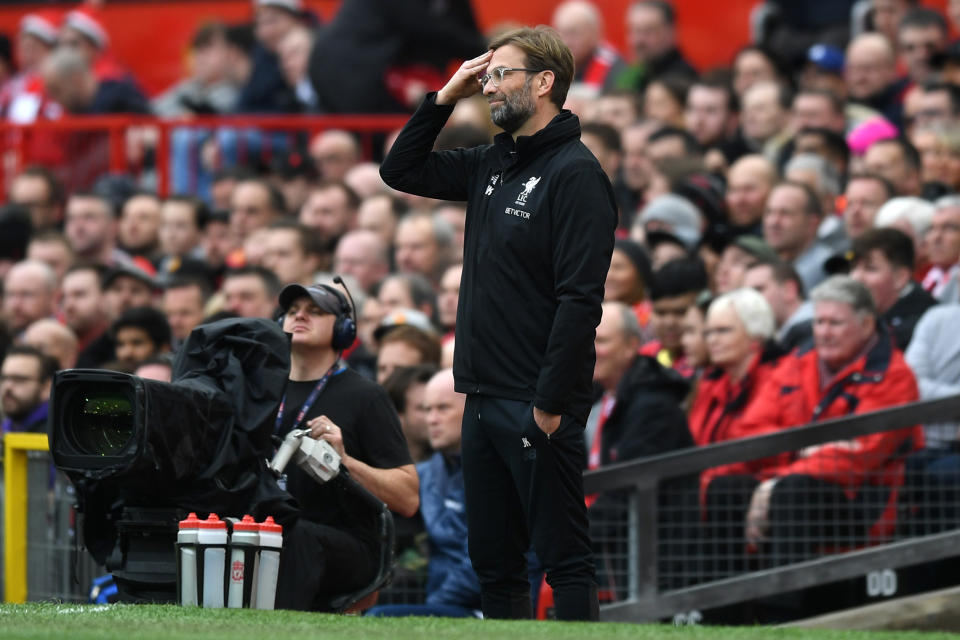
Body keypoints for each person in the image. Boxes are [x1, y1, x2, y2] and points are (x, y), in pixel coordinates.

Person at [380, 26, 616, 620]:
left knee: (563, 558)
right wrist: (445, 96)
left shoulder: (576, 173)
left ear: (543, 83)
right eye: (485, 76)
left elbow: (580, 300)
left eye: (500, 74)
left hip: (537, 398)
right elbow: (400, 170)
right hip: (480, 397)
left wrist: (550, 403)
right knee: (495, 562)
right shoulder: (491, 161)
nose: (488, 86)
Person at [706, 277, 923, 567]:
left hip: (863, 499)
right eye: (819, 323)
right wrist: (799, 458)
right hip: (790, 477)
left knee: (794, 490)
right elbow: (752, 430)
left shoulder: (892, 375)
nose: (824, 333)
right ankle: (728, 604)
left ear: (867, 324)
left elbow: (864, 455)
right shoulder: (798, 362)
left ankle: (784, 606)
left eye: (835, 323)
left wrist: (778, 479)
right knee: (724, 488)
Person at [274, 282, 418, 609]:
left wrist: (345, 463)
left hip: (347, 544)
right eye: (292, 311)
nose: (300, 316)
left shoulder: (366, 396)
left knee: (293, 536)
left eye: (315, 311)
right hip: (276, 531)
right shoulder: (262, 392)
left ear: (343, 329)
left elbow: (408, 497)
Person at [367, 369, 482, 618]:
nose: (432, 419)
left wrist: (432, 606)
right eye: (427, 409)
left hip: (483, 607)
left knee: (378, 618)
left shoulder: (497, 473)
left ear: (474, 410)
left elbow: (480, 561)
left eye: (443, 408)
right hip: (438, 602)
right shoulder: (426, 473)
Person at [848, 227, 937, 350]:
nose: (856, 277)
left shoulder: (921, 324)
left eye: (870, 268)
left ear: (900, 278)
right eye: (854, 268)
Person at [0, 345, 56, 435]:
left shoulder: (55, 435)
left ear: (46, 387)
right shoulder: (7, 427)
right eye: (4, 378)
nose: (7, 386)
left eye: (19, 379)